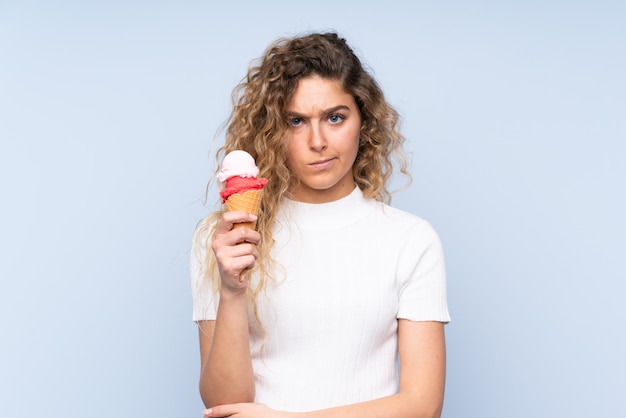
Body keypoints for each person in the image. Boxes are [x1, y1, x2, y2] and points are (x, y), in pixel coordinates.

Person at [191, 31, 451, 418]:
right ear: (273, 131)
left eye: (335, 117)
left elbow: (423, 405)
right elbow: (224, 404)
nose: (318, 141)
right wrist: (231, 289)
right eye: (296, 121)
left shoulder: (411, 240)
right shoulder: (226, 239)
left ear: (363, 121)